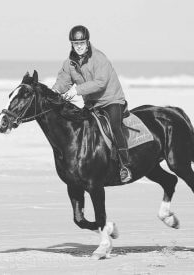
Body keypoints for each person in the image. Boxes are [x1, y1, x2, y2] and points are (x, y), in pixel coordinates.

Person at [52, 25, 132, 183]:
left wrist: (76, 90)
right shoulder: (69, 63)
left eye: (82, 42)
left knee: (115, 127)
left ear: (88, 42)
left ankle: (125, 166)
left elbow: (100, 83)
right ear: (72, 45)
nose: (79, 46)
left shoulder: (99, 58)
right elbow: (62, 82)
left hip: (111, 100)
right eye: (76, 43)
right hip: (91, 103)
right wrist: (54, 92)